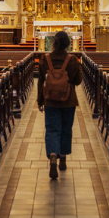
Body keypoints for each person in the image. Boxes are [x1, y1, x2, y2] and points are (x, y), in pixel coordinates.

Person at [36, 31, 82, 180]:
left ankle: (53, 155)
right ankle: (63, 158)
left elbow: (40, 81)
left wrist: (40, 100)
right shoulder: (73, 60)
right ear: (68, 44)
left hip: (50, 100)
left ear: (54, 43)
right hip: (68, 100)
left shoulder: (45, 59)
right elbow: (78, 81)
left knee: (52, 129)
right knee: (66, 129)